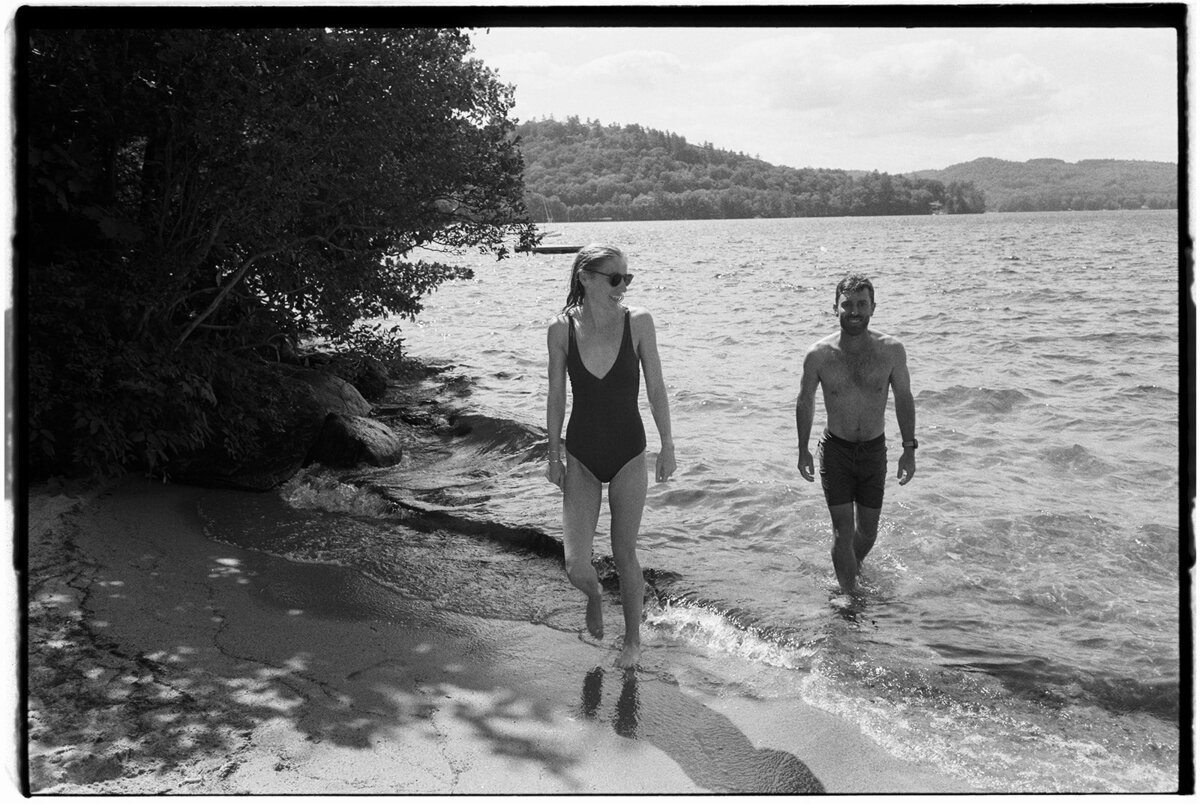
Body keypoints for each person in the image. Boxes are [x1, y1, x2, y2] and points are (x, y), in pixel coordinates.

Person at [546, 243, 676, 669]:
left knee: (624, 553)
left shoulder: (638, 322)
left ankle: (633, 642)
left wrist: (667, 445)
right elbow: (555, 395)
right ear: (585, 278)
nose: (623, 286)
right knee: (574, 564)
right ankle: (595, 596)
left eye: (627, 278)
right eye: (615, 278)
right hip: (581, 454)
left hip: (628, 453)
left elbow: (656, 388)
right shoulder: (561, 329)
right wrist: (553, 455)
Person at [795, 273, 916, 595]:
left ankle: (849, 565)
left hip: (874, 451)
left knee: (868, 533)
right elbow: (805, 399)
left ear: (873, 307)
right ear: (834, 308)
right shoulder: (818, 354)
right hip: (836, 450)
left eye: (862, 304)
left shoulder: (892, 351)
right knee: (842, 531)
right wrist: (802, 449)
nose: (854, 311)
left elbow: (903, 397)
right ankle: (849, 597)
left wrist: (909, 448)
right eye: (847, 304)